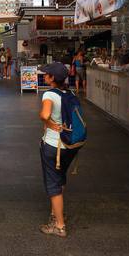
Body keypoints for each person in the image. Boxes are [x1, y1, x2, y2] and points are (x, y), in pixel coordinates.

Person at [39, 62, 80, 238]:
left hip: (53, 145)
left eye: (46, 74)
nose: (44, 76)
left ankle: (59, 225)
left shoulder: (49, 94)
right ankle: (56, 213)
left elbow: (44, 115)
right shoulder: (69, 93)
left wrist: (50, 124)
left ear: (52, 78)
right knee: (60, 177)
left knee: (53, 183)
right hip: (70, 144)